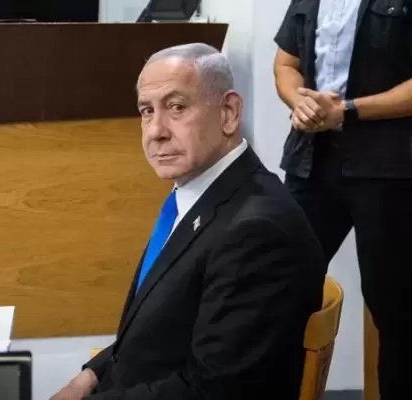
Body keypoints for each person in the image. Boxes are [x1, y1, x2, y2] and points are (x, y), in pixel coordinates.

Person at [50, 43, 326, 400]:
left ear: (228, 113)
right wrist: (90, 376)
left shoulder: (256, 232)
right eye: (147, 111)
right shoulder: (199, 196)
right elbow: (159, 332)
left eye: (176, 107)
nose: (156, 131)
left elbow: (212, 392)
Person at [273, 1, 412, 397]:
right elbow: (285, 63)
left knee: (395, 308)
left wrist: (347, 111)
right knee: (278, 290)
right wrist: (299, 102)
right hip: (310, 164)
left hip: (388, 169)